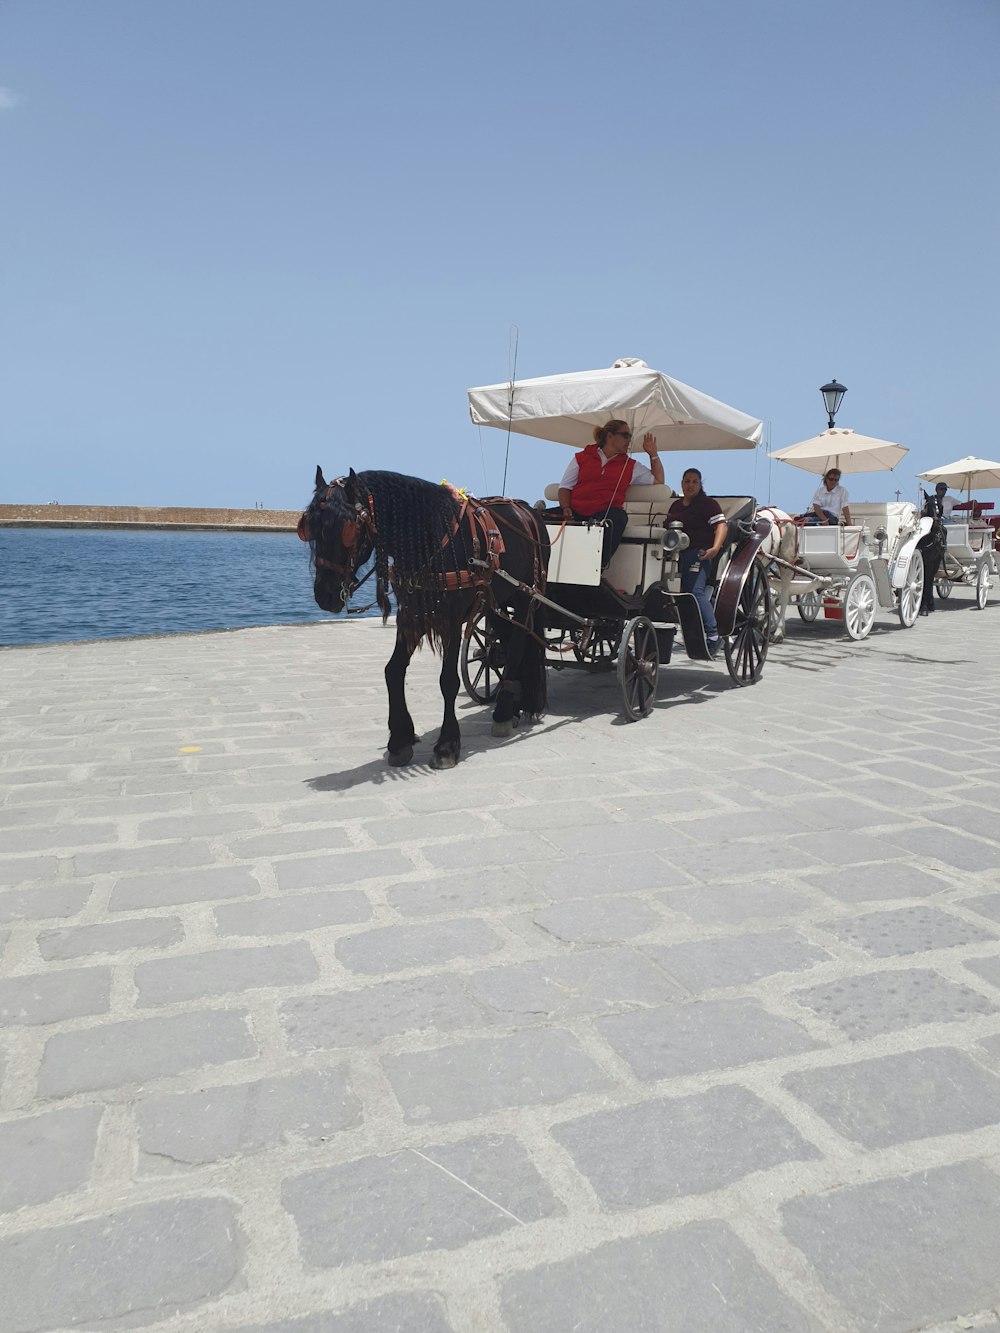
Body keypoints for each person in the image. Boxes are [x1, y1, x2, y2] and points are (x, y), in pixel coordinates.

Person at [557, 420, 664, 569]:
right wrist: (565, 507)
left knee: (618, 518)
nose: (629, 440)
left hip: (604, 514)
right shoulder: (582, 457)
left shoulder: (630, 465)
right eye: (625, 435)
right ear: (609, 436)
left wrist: (653, 454)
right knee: (538, 518)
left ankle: (596, 567)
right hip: (575, 512)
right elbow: (565, 487)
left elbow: (658, 480)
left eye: (630, 436)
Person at [667, 467, 727, 652]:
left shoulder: (708, 504)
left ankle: (713, 635)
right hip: (673, 553)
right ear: (681, 483)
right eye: (687, 481)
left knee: (695, 592)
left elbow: (721, 526)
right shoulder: (675, 506)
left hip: (697, 553)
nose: (690, 485)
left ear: (700, 484)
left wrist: (715, 548)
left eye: (694, 482)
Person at [918, 486, 948, 614]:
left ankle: (942, 549)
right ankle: (927, 601)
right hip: (929, 523)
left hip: (938, 524)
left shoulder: (942, 501)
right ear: (936, 490)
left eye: (944, 490)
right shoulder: (931, 500)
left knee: (929, 574)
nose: (943, 491)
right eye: (941, 489)